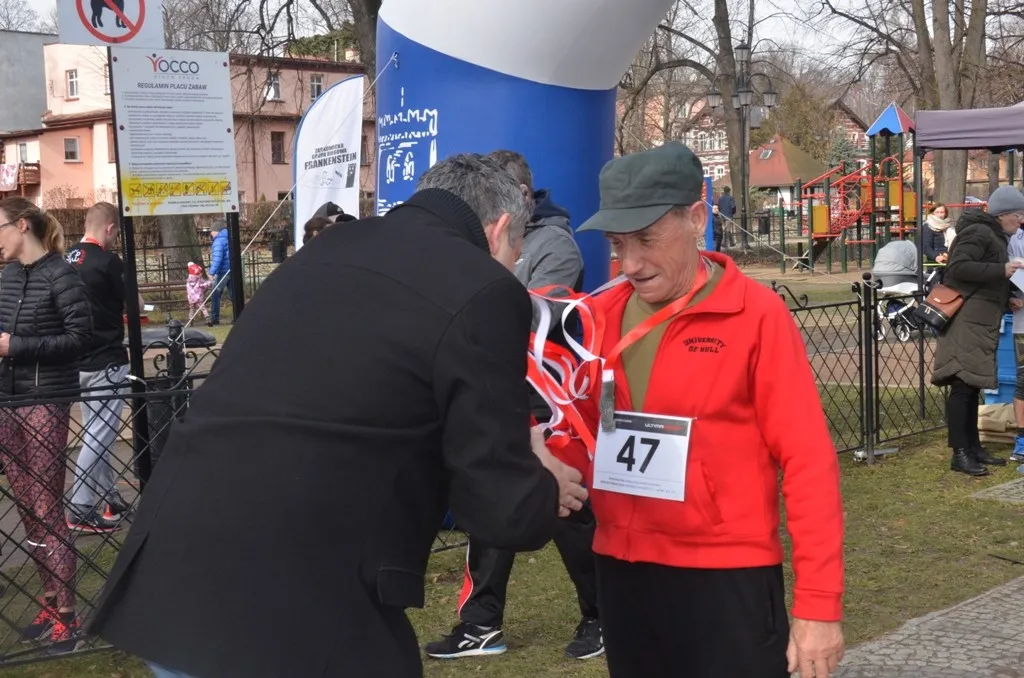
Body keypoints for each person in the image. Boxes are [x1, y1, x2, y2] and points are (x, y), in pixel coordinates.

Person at [87, 153, 588, 678]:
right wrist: (543, 485)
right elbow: (500, 507)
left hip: (174, 568)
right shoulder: (483, 286)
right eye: (516, 251)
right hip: (298, 600)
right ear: (500, 229)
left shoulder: (326, 250)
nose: (513, 265)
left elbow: (366, 398)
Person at [544, 141, 845, 678]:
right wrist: (544, 455)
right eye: (617, 243)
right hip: (622, 570)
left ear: (697, 219)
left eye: (646, 239)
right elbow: (578, 427)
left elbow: (808, 462)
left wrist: (818, 605)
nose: (630, 263)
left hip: (725, 574)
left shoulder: (755, 316)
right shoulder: (596, 317)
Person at [424, 151, 602, 661]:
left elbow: (528, 312)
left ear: (520, 196)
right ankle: (481, 622)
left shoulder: (555, 244)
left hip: (552, 398)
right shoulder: (481, 240)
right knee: (494, 496)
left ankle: (603, 613)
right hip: (496, 384)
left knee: (567, 505)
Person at [0, 197, 92, 654]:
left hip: (46, 400)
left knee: (46, 506)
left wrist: (17, 345)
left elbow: (81, 338)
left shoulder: (61, 274)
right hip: (7, 399)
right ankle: (50, 601)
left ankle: (68, 619)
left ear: (21, 225)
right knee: (27, 508)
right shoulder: (8, 276)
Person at [933, 185, 1024, 476]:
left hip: (979, 321)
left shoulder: (992, 234)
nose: (1021, 220)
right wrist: (1001, 270)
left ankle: (973, 447)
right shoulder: (979, 233)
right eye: (1018, 215)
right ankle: (960, 453)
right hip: (966, 321)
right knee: (962, 387)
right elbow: (958, 269)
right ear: (1003, 214)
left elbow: (984, 279)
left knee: (972, 386)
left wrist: (1008, 298)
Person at [65, 201, 135, 534]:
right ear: (109, 228)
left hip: (76, 359)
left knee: (97, 431)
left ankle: (109, 496)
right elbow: (133, 304)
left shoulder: (65, 259)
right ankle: (80, 506)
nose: (116, 238)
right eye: (116, 233)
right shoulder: (108, 262)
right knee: (99, 434)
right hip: (107, 358)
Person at [1009, 225, 1024, 463]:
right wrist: (1009, 297)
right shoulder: (1014, 237)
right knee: (1023, 381)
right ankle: (1022, 440)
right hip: (1022, 325)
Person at [207, 220, 230, 325]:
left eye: (212, 231)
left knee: (215, 294)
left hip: (223, 271)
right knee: (234, 295)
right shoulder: (229, 238)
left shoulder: (218, 242)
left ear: (217, 231)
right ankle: (240, 315)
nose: (211, 233)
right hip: (232, 269)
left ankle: (214, 317)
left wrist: (211, 272)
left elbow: (217, 258)